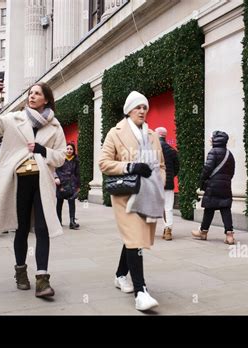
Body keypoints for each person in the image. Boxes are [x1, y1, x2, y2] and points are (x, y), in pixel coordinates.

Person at [0, 80, 66, 298]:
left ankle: (42, 279)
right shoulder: (13, 119)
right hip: (18, 181)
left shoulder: (55, 126)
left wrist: (42, 150)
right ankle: (20, 272)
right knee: (20, 228)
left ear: (46, 99)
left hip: (42, 182)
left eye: (37, 93)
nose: (32, 96)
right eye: (30, 93)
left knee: (42, 228)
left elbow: (61, 157)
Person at [99, 91, 166, 311]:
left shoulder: (153, 135)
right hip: (126, 195)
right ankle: (141, 292)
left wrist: (159, 183)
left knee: (134, 237)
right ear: (129, 110)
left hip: (149, 195)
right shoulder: (115, 132)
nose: (142, 111)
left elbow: (162, 165)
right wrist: (130, 167)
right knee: (136, 238)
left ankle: (120, 275)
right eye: (138, 107)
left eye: (145, 107)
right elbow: (104, 162)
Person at [192, 131, 236, 244]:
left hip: (213, 185)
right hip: (225, 185)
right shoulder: (229, 154)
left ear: (215, 140)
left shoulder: (213, 152)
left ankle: (203, 232)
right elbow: (232, 172)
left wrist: (202, 180)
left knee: (209, 208)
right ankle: (229, 235)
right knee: (225, 209)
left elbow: (207, 168)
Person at [154, 127, 179, 241]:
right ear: (165, 136)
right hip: (168, 183)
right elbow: (176, 168)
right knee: (168, 207)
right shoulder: (172, 150)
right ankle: (168, 230)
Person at [55, 143, 81, 229]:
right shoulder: (60, 159)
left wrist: (78, 185)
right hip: (61, 184)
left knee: (72, 201)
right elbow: (55, 170)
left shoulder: (76, 160)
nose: (69, 150)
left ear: (73, 151)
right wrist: (57, 178)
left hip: (72, 184)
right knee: (59, 202)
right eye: (68, 149)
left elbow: (78, 173)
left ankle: (72, 221)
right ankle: (58, 221)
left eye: (71, 149)